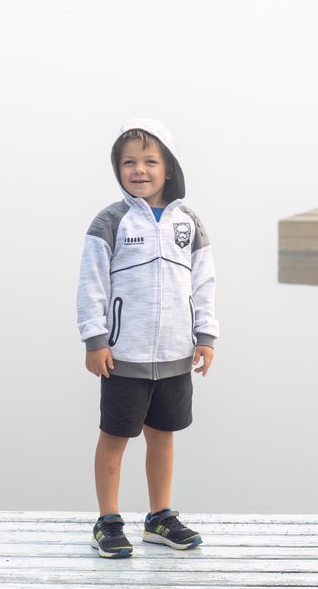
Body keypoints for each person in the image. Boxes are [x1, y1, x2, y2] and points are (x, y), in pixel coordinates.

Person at [77, 118, 219, 559]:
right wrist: (95, 339)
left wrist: (206, 335)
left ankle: (160, 518)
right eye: (129, 163)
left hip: (176, 355)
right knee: (114, 437)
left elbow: (204, 282)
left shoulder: (188, 222)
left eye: (150, 161)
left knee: (163, 435)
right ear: (118, 169)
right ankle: (108, 521)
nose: (139, 170)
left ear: (168, 168)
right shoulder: (111, 221)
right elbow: (91, 283)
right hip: (124, 356)